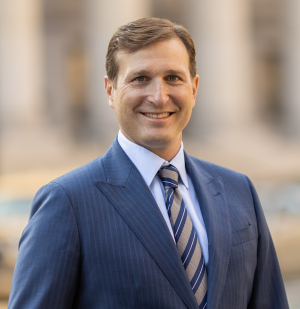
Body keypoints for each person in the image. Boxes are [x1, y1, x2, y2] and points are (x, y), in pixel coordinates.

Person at [8, 17, 288, 309]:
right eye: (140, 78)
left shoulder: (239, 191)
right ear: (110, 91)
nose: (158, 96)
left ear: (194, 88)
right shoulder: (67, 202)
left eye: (173, 78)